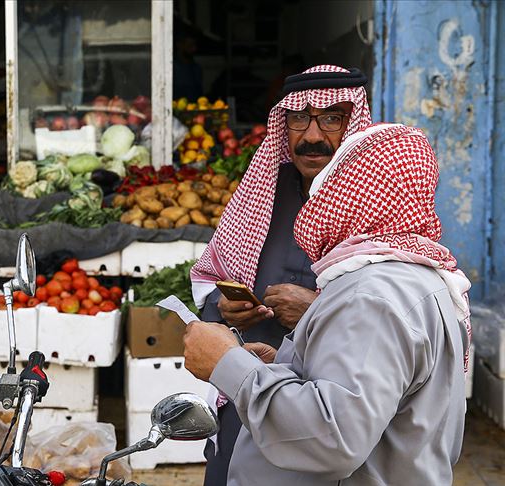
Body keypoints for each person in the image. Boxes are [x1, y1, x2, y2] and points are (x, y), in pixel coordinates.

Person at [184, 105, 472, 482]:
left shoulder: (374, 294)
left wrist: (228, 364)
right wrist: (288, 365)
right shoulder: (417, 278)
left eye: (338, 181)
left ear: (359, 194)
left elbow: (333, 439)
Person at [189, 65, 372, 485]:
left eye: (330, 118)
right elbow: (209, 274)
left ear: (356, 122)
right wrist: (224, 306)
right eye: (297, 118)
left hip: (334, 412)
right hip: (248, 396)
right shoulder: (264, 190)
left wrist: (316, 312)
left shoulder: (378, 202)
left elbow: (399, 309)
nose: (311, 135)